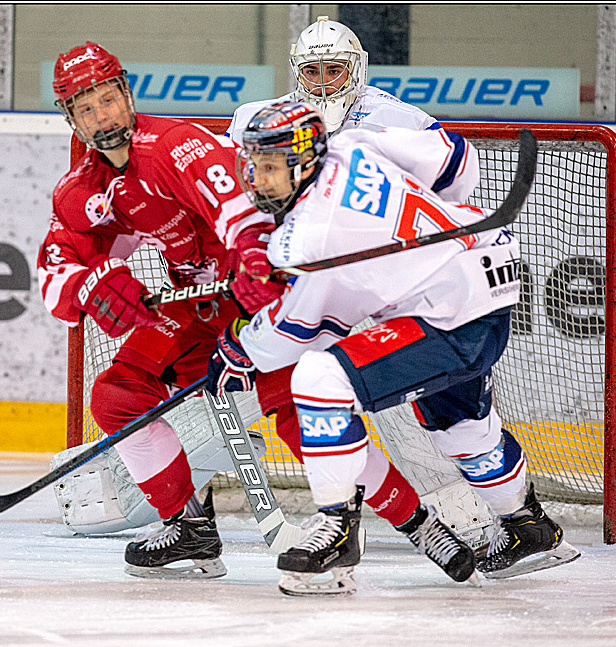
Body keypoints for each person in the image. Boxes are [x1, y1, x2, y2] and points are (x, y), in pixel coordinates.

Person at [37, 42, 460, 582]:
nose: (103, 116)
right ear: (70, 117)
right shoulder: (82, 187)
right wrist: (94, 284)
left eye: (107, 99)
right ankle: (188, 526)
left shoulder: (174, 145)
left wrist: (257, 260)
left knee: (304, 416)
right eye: (86, 107)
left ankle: (418, 522)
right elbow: (55, 271)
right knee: (118, 395)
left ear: (126, 92)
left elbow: (241, 211)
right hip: (195, 307)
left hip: (253, 295)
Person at [209, 101, 580, 596]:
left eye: (269, 166)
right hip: (488, 271)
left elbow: (300, 333)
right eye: (253, 164)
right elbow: (457, 164)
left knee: (319, 379)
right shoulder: (351, 143)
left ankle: (336, 528)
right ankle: (529, 526)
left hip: (448, 316)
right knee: (460, 428)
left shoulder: (306, 236)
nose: (256, 178)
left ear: (301, 161)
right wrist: (428, 229)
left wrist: (239, 347)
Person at [226, 16, 440, 146]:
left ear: (354, 69)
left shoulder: (404, 121)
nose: (322, 82)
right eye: (311, 71)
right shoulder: (251, 120)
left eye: (334, 70)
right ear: (298, 72)